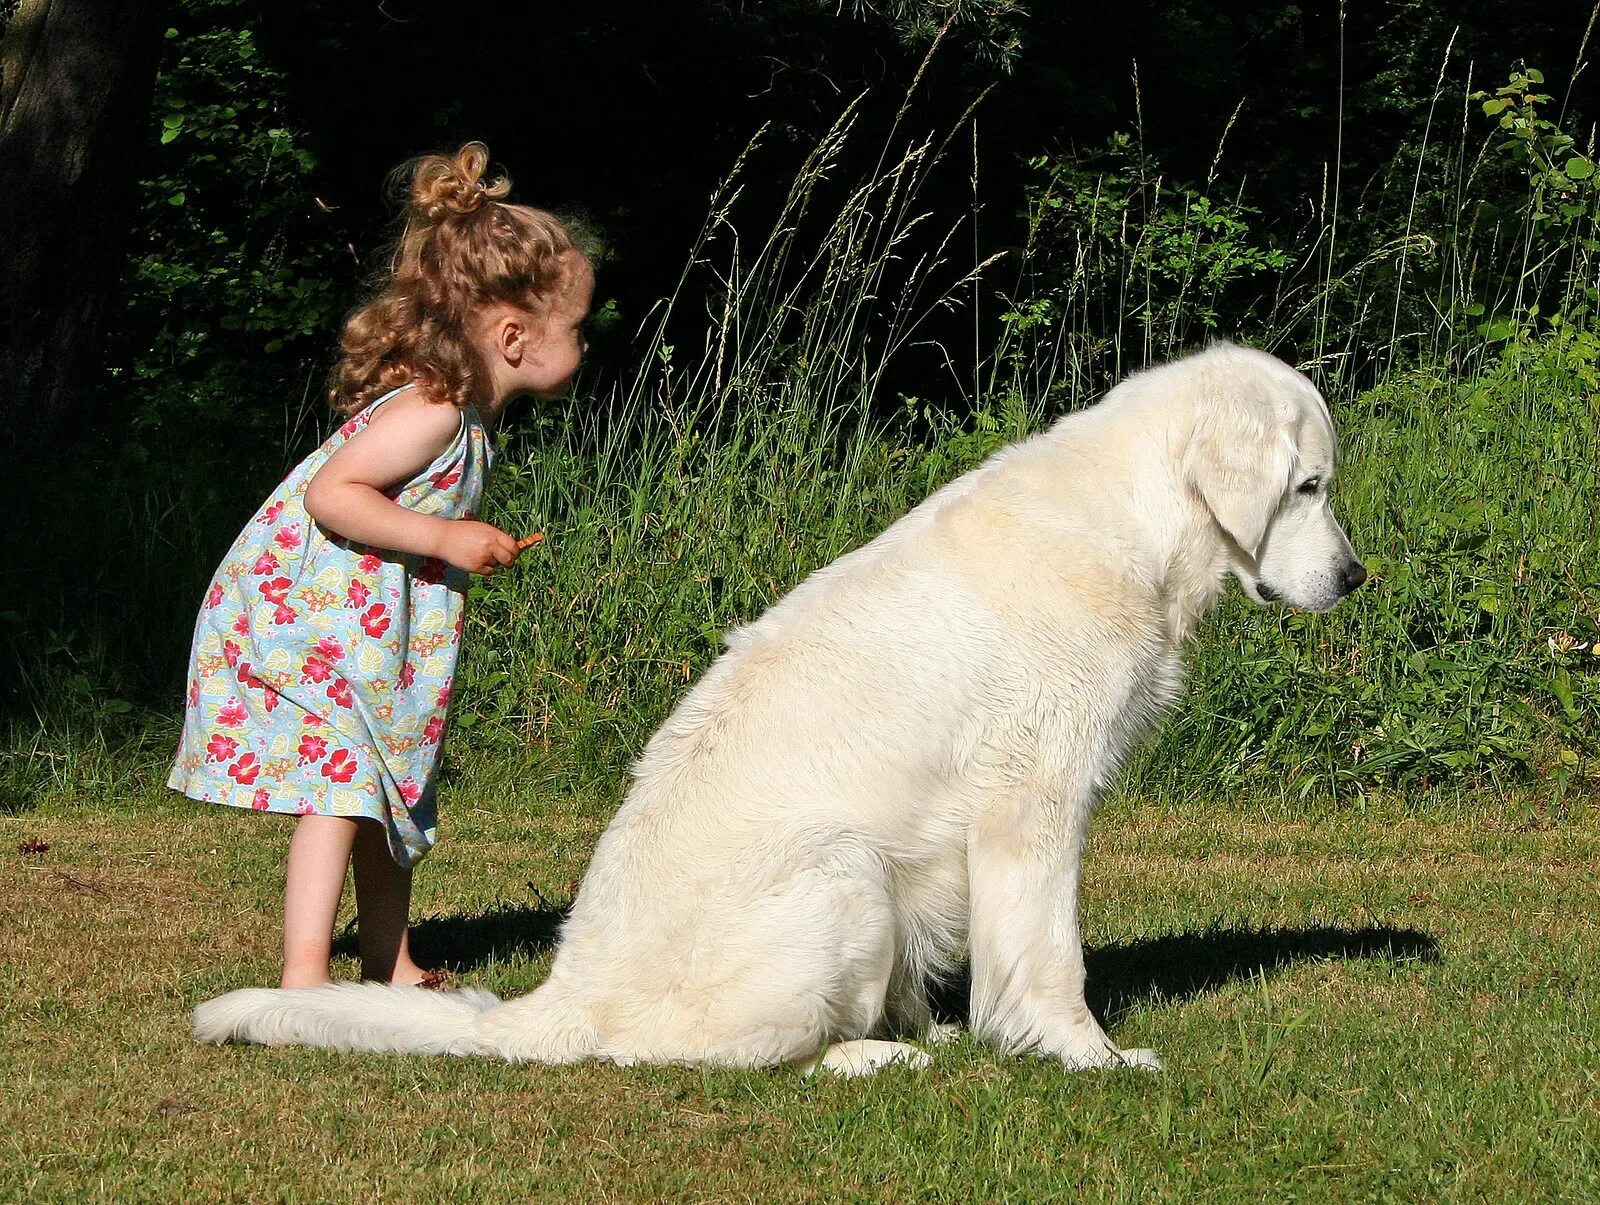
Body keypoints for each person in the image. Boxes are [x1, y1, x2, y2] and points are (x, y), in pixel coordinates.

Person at [168, 142, 593, 988]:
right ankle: (303, 977)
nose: (583, 340)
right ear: (513, 335)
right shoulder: (434, 411)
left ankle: (389, 960)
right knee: (345, 787)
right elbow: (335, 494)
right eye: (575, 327)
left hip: (366, 638)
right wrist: (445, 539)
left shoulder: (462, 417)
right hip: (308, 625)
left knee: (390, 782)